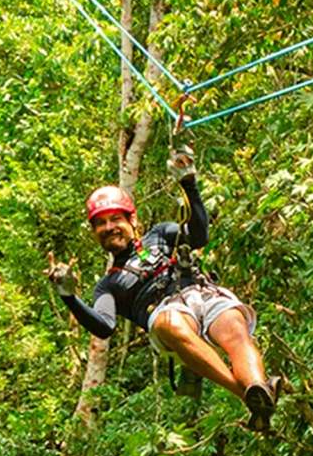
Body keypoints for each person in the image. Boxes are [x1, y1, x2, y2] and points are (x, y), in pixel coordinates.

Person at [47, 149, 280, 431]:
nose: (109, 227)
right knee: (171, 322)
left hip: (203, 294)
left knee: (233, 324)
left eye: (115, 219)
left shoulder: (159, 235)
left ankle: (259, 390)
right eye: (100, 224)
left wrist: (188, 183)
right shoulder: (108, 285)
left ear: (131, 220)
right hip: (166, 315)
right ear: (94, 232)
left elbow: (199, 235)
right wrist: (69, 296)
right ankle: (247, 395)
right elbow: (104, 326)